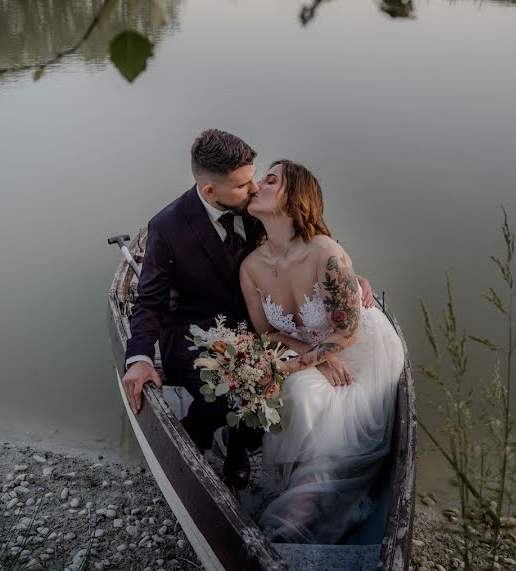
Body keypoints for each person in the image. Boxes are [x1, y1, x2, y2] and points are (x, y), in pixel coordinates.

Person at [122, 130, 375, 489]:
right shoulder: (167, 227)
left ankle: (240, 443)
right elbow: (149, 302)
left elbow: (301, 242)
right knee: (224, 390)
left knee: (258, 384)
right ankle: (193, 439)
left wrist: (348, 276)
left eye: (257, 177)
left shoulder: (256, 210)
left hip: (260, 328)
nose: (255, 188)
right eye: (243, 184)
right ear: (211, 191)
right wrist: (140, 359)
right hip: (191, 330)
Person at [239, 159, 405, 543]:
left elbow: (348, 332)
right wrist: (310, 357)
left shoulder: (323, 252)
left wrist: (304, 363)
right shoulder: (250, 266)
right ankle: (302, 500)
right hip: (313, 349)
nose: (256, 185)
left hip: (363, 351)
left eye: (270, 180)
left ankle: (298, 515)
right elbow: (265, 331)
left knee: (311, 397)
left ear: (293, 197)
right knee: (299, 390)